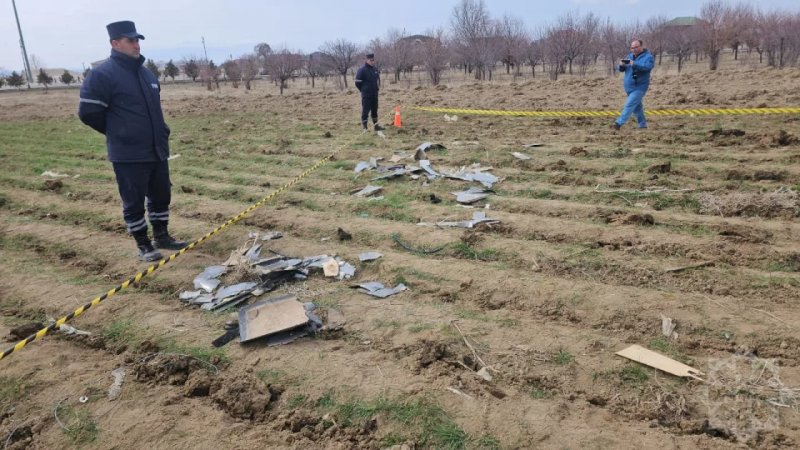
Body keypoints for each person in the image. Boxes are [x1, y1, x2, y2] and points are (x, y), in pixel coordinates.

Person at [78, 21, 187, 262]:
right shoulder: (101, 75)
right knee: (134, 201)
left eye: (138, 40)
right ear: (115, 43)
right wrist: (120, 132)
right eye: (130, 40)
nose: (136, 44)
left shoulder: (146, 74)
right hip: (128, 153)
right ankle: (144, 245)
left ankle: (162, 236)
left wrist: (162, 131)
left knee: (161, 196)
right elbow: (88, 114)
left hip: (156, 148)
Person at [613, 39, 655, 130]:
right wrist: (621, 65)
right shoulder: (629, 56)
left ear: (641, 46)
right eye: (632, 48)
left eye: (636, 47)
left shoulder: (648, 57)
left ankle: (618, 123)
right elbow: (620, 69)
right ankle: (642, 125)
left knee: (629, 104)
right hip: (629, 87)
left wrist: (634, 64)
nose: (634, 49)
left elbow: (647, 67)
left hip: (640, 87)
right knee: (637, 108)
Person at [354, 53, 383, 133]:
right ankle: (365, 127)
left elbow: (377, 80)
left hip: (374, 94)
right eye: (371, 60)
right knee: (365, 111)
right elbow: (357, 82)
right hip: (366, 95)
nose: (372, 62)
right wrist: (363, 90)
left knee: (375, 110)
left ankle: (376, 126)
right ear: (367, 60)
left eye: (373, 60)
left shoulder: (375, 69)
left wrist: (377, 88)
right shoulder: (362, 70)